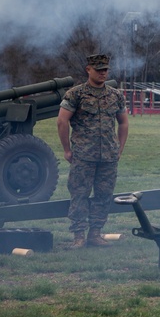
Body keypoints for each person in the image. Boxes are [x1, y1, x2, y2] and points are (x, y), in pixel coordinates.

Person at [57, 54, 129, 248]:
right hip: (83, 155)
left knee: (104, 195)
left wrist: (119, 149)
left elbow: (123, 123)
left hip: (108, 155)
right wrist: (67, 150)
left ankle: (95, 234)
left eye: (105, 70)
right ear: (88, 69)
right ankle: (78, 236)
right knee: (79, 194)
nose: (103, 73)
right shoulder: (76, 94)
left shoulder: (115, 95)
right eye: (99, 70)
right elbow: (62, 121)